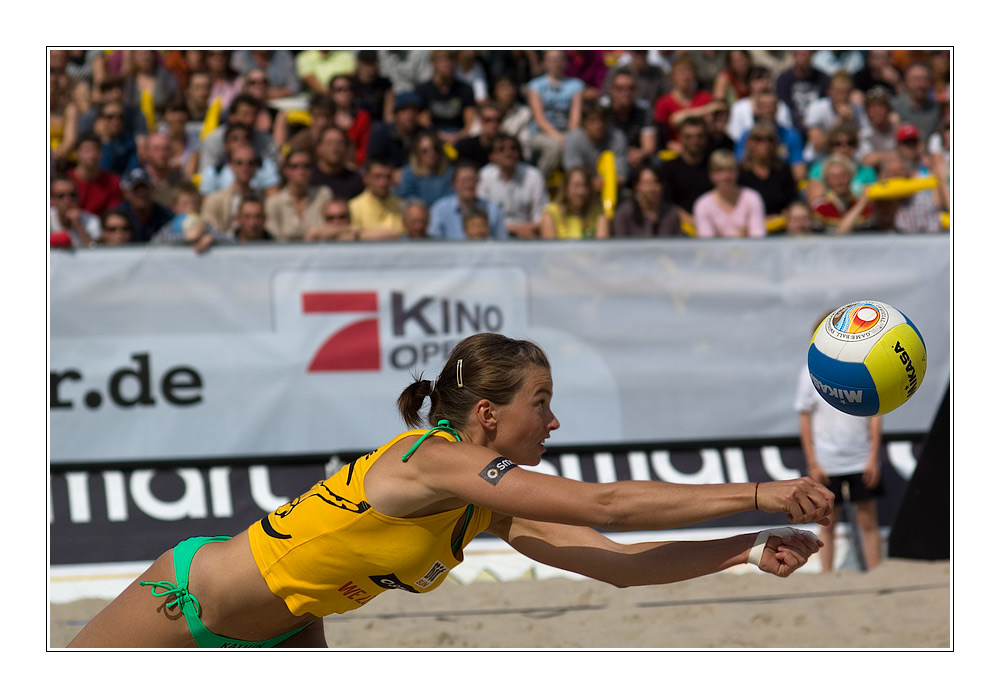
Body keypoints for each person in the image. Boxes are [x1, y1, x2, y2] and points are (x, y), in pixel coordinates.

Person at [68, 332, 831, 648]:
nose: (555, 420)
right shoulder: (431, 461)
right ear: (490, 415)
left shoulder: (485, 506)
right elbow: (605, 504)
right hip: (188, 600)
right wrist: (763, 494)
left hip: (283, 630)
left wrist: (743, 548)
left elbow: (618, 560)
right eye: (542, 403)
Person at [795, 341, 883, 572]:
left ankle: (878, 579)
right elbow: (804, 418)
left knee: (868, 523)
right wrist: (813, 462)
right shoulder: (809, 373)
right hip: (827, 462)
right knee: (827, 524)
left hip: (860, 459)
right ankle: (827, 579)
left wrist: (873, 458)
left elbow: (876, 414)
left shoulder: (864, 368)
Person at [526, 50, 586, 177]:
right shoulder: (535, 86)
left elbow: (575, 117)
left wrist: (570, 137)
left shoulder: (576, 85)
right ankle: (539, 180)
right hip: (540, 133)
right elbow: (539, 118)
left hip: (567, 132)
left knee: (577, 143)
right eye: (552, 60)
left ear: (566, 63)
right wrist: (558, 137)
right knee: (553, 147)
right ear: (545, 63)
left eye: (560, 59)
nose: (556, 63)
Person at [477, 134, 549, 239]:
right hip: (494, 237)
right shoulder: (484, 176)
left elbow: (541, 215)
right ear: (492, 156)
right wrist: (515, 229)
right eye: (501, 149)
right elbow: (483, 216)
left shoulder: (533, 176)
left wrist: (526, 230)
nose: (508, 153)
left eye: (513, 148)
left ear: (518, 153)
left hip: (529, 236)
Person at [736, 121, 799, 232]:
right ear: (750, 143)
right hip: (748, 231)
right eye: (759, 139)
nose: (764, 144)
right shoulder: (740, 172)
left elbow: (792, 202)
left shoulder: (783, 170)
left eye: (769, 139)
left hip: (780, 228)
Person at [733, 91, 807, 182]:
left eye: (772, 105)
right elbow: (740, 165)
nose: (769, 109)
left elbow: (799, 170)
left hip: (782, 182)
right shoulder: (746, 136)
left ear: (777, 108)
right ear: (756, 109)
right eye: (764, 106)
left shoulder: (790, 135)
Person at [693, 149, 767, 238]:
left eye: (730, 170)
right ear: (711, 175)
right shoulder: (702, 204)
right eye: (720, 171)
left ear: (737, 172)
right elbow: (707, 243)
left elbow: (758, 237)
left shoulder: (753, 198)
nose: (726, 176)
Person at [655, 116, 713, 229]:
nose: (694, 141)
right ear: (681, 138)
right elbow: (667, 204)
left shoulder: (713, 166)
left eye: (699, 136)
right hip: (678, 228)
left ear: (706, 138)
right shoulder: (669, 168)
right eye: (688, 137)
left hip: (712, 226)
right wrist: (691, 222)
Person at [265, 149, 334, 242]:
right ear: (286, 170)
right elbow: (273, 237)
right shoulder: (274, 202)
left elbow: (334, 228)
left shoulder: (323, 195)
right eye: (295, 166)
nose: (301, 171)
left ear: (312, 170)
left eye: (306, 166)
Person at [652, 55, 719, 151]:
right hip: (675, 152)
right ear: (672, 76)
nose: (685, 76)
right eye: (680, 72)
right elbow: (665, 137)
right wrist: (705, 110)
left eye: (688, 71)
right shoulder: (663, 103)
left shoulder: (706, 98)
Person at [428, 162, 507, 240]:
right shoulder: (440, 209)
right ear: (454, 183)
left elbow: (502, 242)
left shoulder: (492, 209)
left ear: (478, 182)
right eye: (464, 180)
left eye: (472, 180)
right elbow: (434, 242)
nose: (468, 185)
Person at [600, 68, 658, 175]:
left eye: (630, 88)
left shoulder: (644, 109)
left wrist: (639, 154)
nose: (626, 93)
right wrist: (623, 155)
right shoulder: (602, 109)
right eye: (620, 89)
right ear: (611, 90)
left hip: (636, 160)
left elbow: (649, 147)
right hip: (608, 158)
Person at [561, 101, 628, 191]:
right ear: (584, 123)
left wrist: (604, 182)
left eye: (602, 120)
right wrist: (591, 182)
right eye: (592, 120)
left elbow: (622, 175)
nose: (598, 125)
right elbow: (573, 174)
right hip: (582, 190)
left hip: (612, 191)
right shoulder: (573, 139)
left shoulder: (617, 137)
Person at [198, 123, 281, 196]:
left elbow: (273, 195)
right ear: (226, 145)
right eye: (235, 139)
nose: (241, 142)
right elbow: (207, 201)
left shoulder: (264, 166)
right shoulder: (214, 172)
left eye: (246, 138)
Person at [201, 143, 266, 235]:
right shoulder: (214, 201)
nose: (245, 168)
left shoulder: (263, 199)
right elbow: (209, 232)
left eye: (250, 163)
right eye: (239, 163)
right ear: (230, 165)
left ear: (256, 166)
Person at [803, 70, 865, 163]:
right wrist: (839, 120)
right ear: (829, 92)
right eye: (838, 92)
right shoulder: (816, 108)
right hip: (819, 158)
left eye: (847, 92)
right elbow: (818, 145)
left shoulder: (858, 110)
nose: (843, 97)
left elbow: (862, 142)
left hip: (850, 158)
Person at [416, 51, 477, 146]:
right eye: (441, 60)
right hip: (434, 137)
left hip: (460, 137)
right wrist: (442, 137)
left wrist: (460, 136)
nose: (446, 64)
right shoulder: (424, 90)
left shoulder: (465, 89)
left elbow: (470, 122)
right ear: (433, 64)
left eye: (450, 60)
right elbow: (424, 122)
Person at [725, 66, 794, 144]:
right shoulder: (738, 108)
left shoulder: (782, 107)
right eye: (758, 79)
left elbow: (787, 134)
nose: (764, 83)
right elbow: (735, 136)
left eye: (767, 78)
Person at [610, 165, 682, 238]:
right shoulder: (624, 212)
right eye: (646, 183)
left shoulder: (672, 213)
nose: (651, 188)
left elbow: (677, 243)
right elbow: (619, 244)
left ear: (662, 185)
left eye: (656, 182)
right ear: (637, 186)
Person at [540, 166, 610, 239]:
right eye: (576, 185)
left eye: (585, 185)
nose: (581, 191)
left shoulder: (599, 214)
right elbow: (550, 248)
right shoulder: (551, 213)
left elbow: (601, 247)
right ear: (566, 188)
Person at [150, 182, 220, 254]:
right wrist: (185, 238)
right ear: (174, 207)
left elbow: (227, 238)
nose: (190, 208)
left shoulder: (204, 226)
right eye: (184, 204)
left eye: (195, 203)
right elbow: (155, 241)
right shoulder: (171, 227)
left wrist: (210, 238)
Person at [366, 92, 425, 177]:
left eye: (414, 110)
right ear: (396, 114)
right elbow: (373, 162)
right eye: (405, 110)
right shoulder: (381, 134)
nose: (410, 115)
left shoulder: (424, 135)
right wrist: (392, 173)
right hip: (387, 180)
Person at [775, 50, 830, 140]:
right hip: (791, 125)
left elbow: (824, 103)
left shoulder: (823, 78)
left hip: (818, 126)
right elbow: (785, 105)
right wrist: (798, 120)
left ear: (812, 55)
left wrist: (812, 120)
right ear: (793, 56)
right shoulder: (783, 79)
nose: (802, 58)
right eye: (799, 54)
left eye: (805, 54)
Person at [809, 153, 870, 232]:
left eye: (843, 175)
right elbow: (839, 235)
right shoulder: (820, 208)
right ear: (827, 180)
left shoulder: (865, 208)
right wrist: (860, 205)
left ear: (851, 176)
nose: (839, 181)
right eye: (834, 177)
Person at [112, 167, 175, 243]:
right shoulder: (117, 217)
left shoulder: (165, 216)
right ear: (126, 193)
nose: (141, 193)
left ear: (152, 189)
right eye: (135, 189)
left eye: (144, 188)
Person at [348, 158, 405, 238]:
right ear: (366, 178)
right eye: (377, 177)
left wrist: (364, 235)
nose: (383, 182)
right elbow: (351, 237)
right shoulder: (353, 207)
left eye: (387, 177)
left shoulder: (402, 205)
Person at [69, 133, 124, 217]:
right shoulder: (66, 181)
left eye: (95, 150)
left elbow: (114, 214)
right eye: (87, 151)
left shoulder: (112, 181)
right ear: (76, 154)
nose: (92, 155)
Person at [395, 131, 455, 207]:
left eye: (435, 148)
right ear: (417, 154)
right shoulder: (409, 173)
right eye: (425, 151)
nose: (431, 153)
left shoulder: (449, 172)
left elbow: (451, 198)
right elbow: (406, 198)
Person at [310, 125, 365, 202]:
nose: (334, 148)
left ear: (346, 148)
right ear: (319, 148)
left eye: (340, 143)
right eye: (329, 143)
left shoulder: (356, 181)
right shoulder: (308, 177)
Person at [890, 62, 941, 143]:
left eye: (925, 79)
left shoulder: (938, 109)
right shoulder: (893, 107)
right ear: (906, 82)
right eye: (915, 79)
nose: (920, 84)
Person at [329, 74, 372, 168]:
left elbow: (364, 148)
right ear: (332, 93)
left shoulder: (362, 117)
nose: (345, 93)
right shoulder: (327, 118)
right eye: (339, 90)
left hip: (356, 167)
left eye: (349, 89)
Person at [143, 132, 192, 209]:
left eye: (166, 149)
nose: (162, 154)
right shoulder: (138, 180)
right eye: (157, 149)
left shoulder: (181, 178)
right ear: (146, 152)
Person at [50, 174, 101, 248]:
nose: (67, 200)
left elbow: (95, 253)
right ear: (52, 200)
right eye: (61, 196)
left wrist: (79, 226)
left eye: (72, 195)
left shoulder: (92, 221)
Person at [857, 87, 899, 171]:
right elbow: (867, 160)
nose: (876, 111)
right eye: (871, 108)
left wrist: (897, 128)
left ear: (888, 109)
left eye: (880, 106)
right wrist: (896, 154)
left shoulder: (898, 128)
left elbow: (914, 151)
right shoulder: (864, 134)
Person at [95, 99, 140, 176]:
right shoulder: (90, 143)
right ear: (99, 120)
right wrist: (106, 141)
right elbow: (102, 174)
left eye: (120, 117)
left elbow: (133, 172)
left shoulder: (129, 144)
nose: (116, 121)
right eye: (110, 117)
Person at [454, 101, 503, 170]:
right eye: (488, 120)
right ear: (480, 121)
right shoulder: (465, 146)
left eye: (498, 120)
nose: (493, 124)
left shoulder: (508, 147)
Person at [354, 51, 393, 124]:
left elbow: (388, 115)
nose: (369, 68)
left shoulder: (385, 84)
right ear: (358, 64)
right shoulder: (351, 83)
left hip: (377, 125)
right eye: (366, 63)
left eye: (372, 63)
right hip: (355, 124)